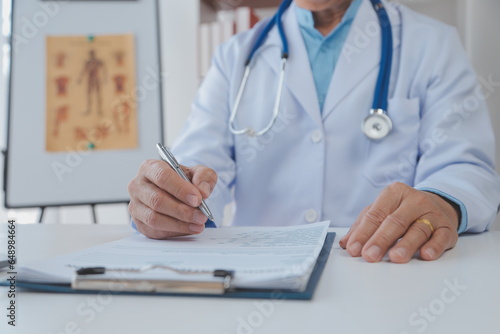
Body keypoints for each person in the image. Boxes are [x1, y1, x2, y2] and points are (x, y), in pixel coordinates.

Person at [128, 0, 500, 263]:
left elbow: (467, 167)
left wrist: (444, 201)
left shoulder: (432, 44)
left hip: (385, 271)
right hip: (257, 278)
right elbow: (200, 165)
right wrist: (171, 199)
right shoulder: (236, 56)